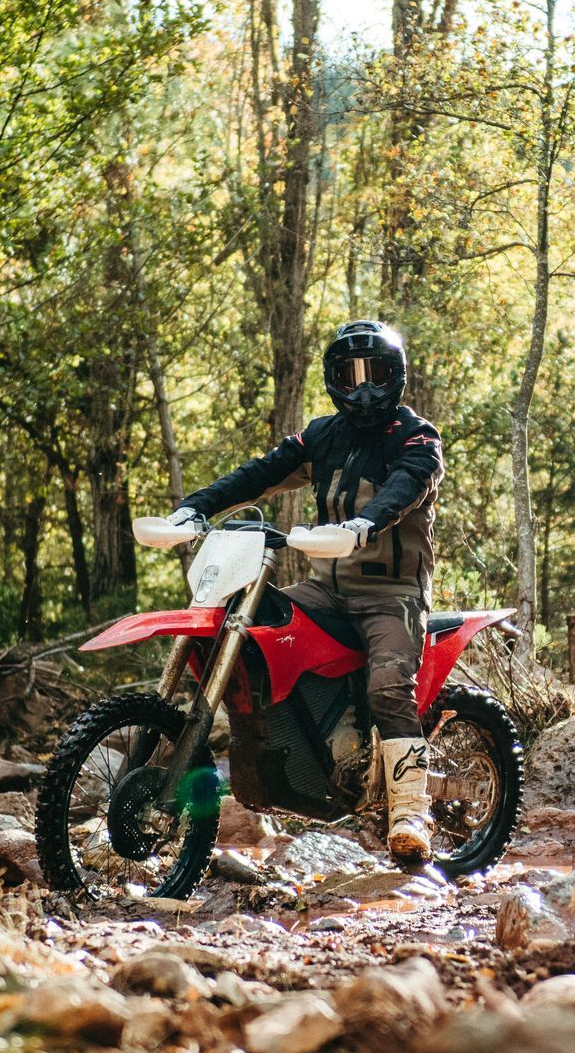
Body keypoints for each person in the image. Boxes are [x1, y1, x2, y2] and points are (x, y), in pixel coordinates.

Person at [168, 321, 445, 863]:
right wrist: (197, 506)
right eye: (351, 376)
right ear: (333, 380)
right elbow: (261, 473)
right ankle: (322, 745)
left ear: (398, 378)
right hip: (327, 590)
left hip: (393, 595)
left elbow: (405, 486)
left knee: (389, 685)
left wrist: (364, 524)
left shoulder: (417, 437)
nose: (364, 390)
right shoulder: (322, 435)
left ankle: (411, 811)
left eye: (377, 375)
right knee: (254, 629)